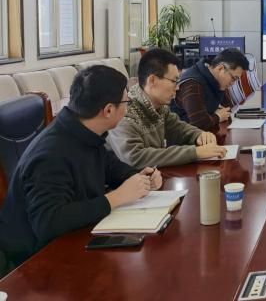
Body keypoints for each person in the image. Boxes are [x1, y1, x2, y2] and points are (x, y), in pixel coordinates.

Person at [0, 66, 163, 271]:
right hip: (36, 263)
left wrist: (140, 177)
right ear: (108, 110)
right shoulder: (50, 156)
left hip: (78, 236)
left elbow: (109, 166)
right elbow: (48, 222)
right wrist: (116, 197)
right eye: (126, 102)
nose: (128, 107)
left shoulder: (84, 130)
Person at [107, 48, 227, 167]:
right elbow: (135, 157)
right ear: (152, 80)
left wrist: (199, 135)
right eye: (174, 81)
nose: (177, 87)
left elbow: (178, 128)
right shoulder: (124, 113)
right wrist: (195, 152)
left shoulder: (160, 107)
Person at [171, 49, 249, 132]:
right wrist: (218, 116)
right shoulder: (193, 84)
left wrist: (212, 116)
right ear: (221, 68)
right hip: (182, 136)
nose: (233, 83)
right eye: (233, 78)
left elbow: (227, 109)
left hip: (203, 134)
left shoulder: (216, 80)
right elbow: (199, 123)